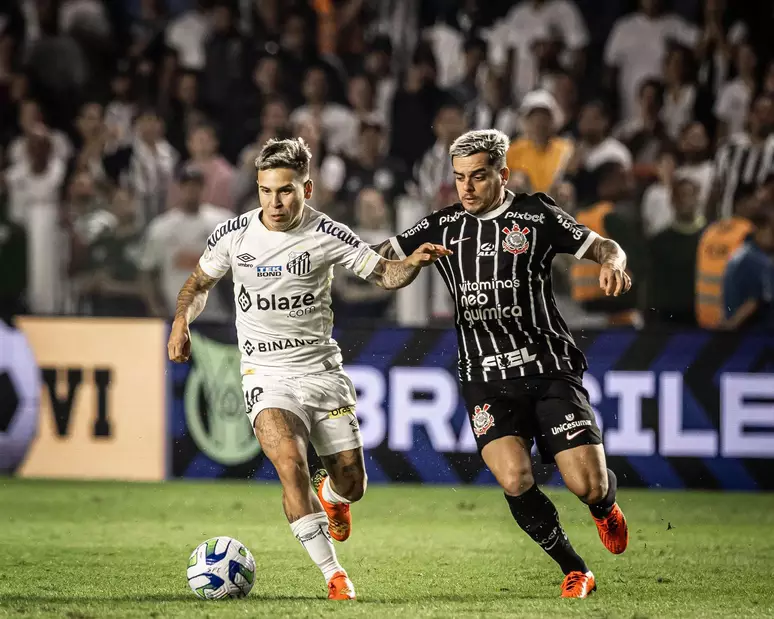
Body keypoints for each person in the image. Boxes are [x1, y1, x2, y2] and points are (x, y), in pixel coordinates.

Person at [166, 138, 449, 600]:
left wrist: (412, 263)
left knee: (351, 484)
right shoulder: (233, 235)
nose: (274, 202)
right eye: (265, 190)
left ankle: (335, 500)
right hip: (265, 375)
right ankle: (335, 577)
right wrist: (181, 320)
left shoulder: (328, 234)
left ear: (307, 188)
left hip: (321, 373)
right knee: (290, 465)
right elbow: (198, 284)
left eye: (285, 191)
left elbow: (383, 274)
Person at [372, 129, 631, 599]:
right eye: (459, 178)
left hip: (548, 369)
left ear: (502, 174)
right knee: (515, 478)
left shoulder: (535, 215)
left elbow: (605, 247)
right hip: (485, 377)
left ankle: (604, 506)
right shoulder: (443, 224)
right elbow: (375, 264)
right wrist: (409, 263)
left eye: (477, 177)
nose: (466, 188)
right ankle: (575, 569)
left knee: (587, 486)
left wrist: (612, 262)